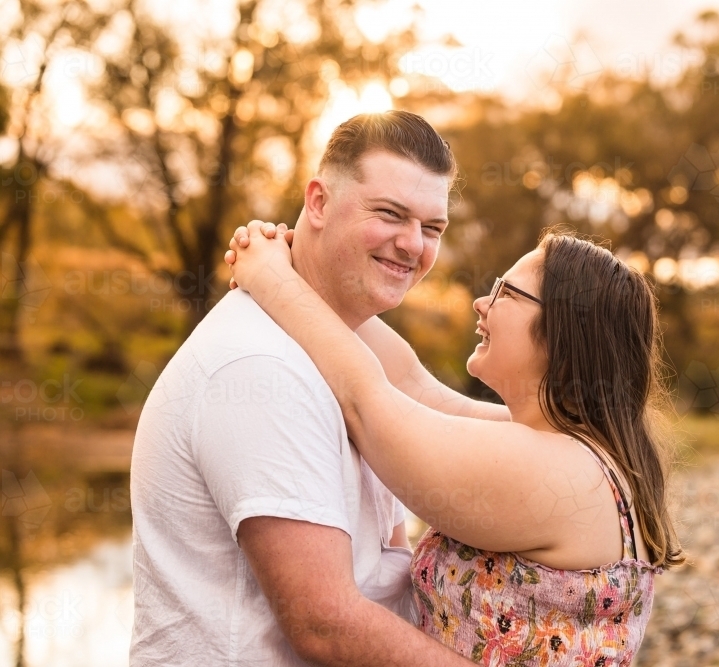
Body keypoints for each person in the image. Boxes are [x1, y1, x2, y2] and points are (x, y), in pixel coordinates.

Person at [130, 111, 503, 666]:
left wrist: (587, 434)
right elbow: (324, 624)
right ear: (319, 203)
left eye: (432, 228)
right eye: (390, 214)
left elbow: (386, 556)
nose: (412, 245)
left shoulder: (345, 345)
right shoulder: (262, 368)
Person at [226, 219, 685, 666]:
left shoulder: (563, 473)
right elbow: (411, 385)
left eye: (506, 292)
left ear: (564, 328)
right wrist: (308, 266)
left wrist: (271, 280)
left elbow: (367, 403)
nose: (481, 303)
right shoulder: (570, 448)